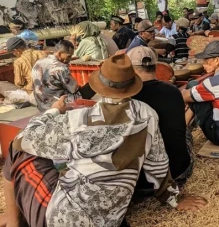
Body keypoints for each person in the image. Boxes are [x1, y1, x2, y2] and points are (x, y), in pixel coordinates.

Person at [2, 54, 207, 227]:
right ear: (132, 84)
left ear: (100, 86)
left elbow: (26, 136)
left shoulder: (79, 120)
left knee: (16, 149)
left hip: (64, 219)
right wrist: (172, 199)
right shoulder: (147, 115)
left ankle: (12, 222)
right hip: (110, 220)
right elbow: (158, 164)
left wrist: (53, 111)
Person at [128, 47, 194, 187]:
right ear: (156, 66)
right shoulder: (174, 91)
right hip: (179, 170)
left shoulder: (128, 100)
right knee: (185, 131)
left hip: (141, 182)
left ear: (131, 69)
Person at [32, 40, 81, 112]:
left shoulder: (38, 63)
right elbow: (74, 88)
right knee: (84, 92)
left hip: (41, 104)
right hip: (57, 105)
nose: (70, 59)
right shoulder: (61, 68)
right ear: (60, 53)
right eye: (69, 56)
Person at [0, 38, 45, 105]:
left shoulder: (18, 62)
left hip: (36, 96)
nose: (14, 54)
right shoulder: (43, 53)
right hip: (52, 91)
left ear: (16, 50)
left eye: (13, 52)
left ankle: (6, 101)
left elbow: (19, 83)